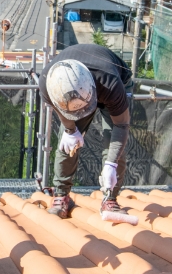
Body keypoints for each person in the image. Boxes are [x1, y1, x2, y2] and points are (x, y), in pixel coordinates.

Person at [38, 43, 135, 221]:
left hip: (113, 85)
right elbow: (58, 109)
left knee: (114, 146)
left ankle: (110, 198)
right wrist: (70, 129)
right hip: (73, 92)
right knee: (66, 143)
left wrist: (111, 164)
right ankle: (61, 195)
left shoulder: (111, 83)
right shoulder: (47, 83)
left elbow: (121, 126)